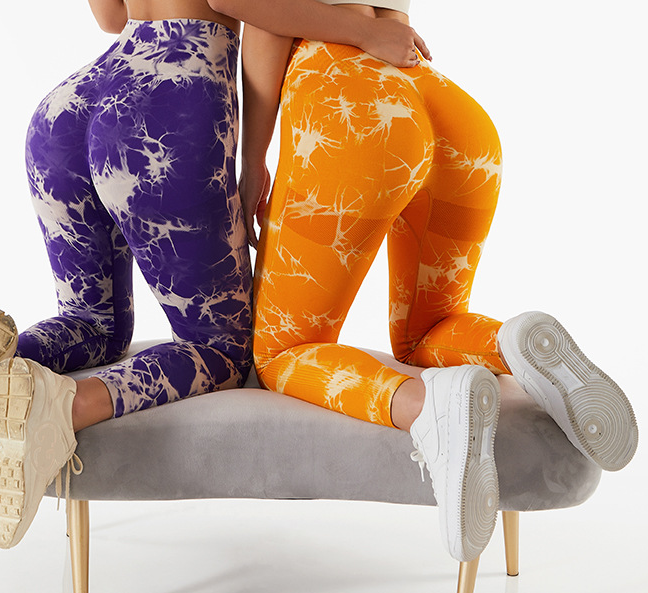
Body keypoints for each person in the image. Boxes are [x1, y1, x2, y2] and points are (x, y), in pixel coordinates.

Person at [0, 0, 439, 550]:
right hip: (168, 103)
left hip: (72, 107)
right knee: (220, 351)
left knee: (92, 322)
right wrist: (360, 31)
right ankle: (63, 407)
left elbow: (111, 17)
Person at [233, 0, 639, 562]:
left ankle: (431, 408)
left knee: (281, 353)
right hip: (450, 110)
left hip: (352, 107)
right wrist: (371, 31)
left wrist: (252, 161)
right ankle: (514, 343)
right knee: (429, 329)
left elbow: (240, 3)